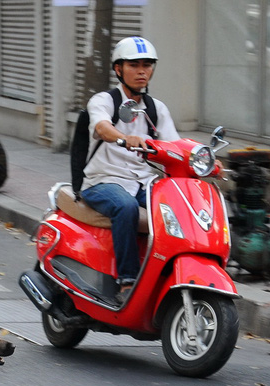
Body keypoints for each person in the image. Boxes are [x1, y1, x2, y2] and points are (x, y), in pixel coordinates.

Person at [80, 36, 181, 305]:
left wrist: (202, 158)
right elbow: (102, 127)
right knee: (125, 207)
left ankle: (168, 275)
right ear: (118, 69)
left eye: (147, 65)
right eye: (134, 65)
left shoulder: (156, 108)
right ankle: (127, 281)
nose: (141, 71)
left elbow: (175, 145)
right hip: (103, 180)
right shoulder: (104, 100)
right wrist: (124, 137)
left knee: (178, 207)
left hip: (143, 181)